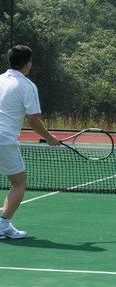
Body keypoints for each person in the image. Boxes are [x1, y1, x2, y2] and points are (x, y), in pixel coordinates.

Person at [0, 45, 59, 239]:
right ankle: (3, 225)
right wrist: (49, 138)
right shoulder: (28, 86)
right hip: (4, 139)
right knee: (19, 183)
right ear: (27, 63)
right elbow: (33, 119)